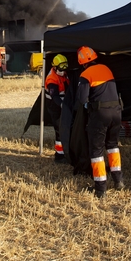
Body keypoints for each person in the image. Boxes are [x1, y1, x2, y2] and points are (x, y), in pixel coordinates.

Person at [75, 46, 124, 199]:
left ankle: (100, 189)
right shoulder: (106, 68)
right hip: (117, 112)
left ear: (82, 62)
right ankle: (118, 181)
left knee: (96, 152)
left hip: (100, 114)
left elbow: (82, 99)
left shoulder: (85, 74)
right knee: (113, 147)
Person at [44, 54, 71, 162]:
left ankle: (65, 152)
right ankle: (59, 156)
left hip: (62, 103)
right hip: (54, 105)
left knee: (65, 128)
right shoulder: (52, 79)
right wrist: (62, 105)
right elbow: (54, 96)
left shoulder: (63, 74)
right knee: (60, 129)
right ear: (55, 67)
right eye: (61, 68)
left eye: (65, 68)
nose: (63, 70)